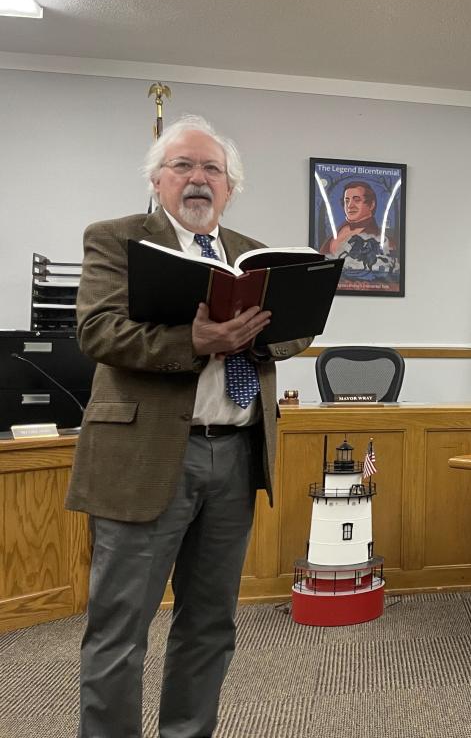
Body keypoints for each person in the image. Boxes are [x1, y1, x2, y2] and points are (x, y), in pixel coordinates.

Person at [67, 115, 313, 738]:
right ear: (157, 181)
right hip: (145, 460)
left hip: (234, 457)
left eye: (212, 169)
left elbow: (298, 328)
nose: (199, 178)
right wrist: (194, 340)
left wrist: (263, 342)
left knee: (210, 624)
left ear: (230, 187)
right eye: (183, 166)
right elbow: (97, 331)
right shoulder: (117, 240)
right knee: (121, 628)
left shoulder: (254, 254)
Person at [320, 180, 381, 256]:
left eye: (357, 200)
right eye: (347, 201)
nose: (349, 206)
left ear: (371, 204)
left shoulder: (377, 236)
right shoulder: (341, 228)